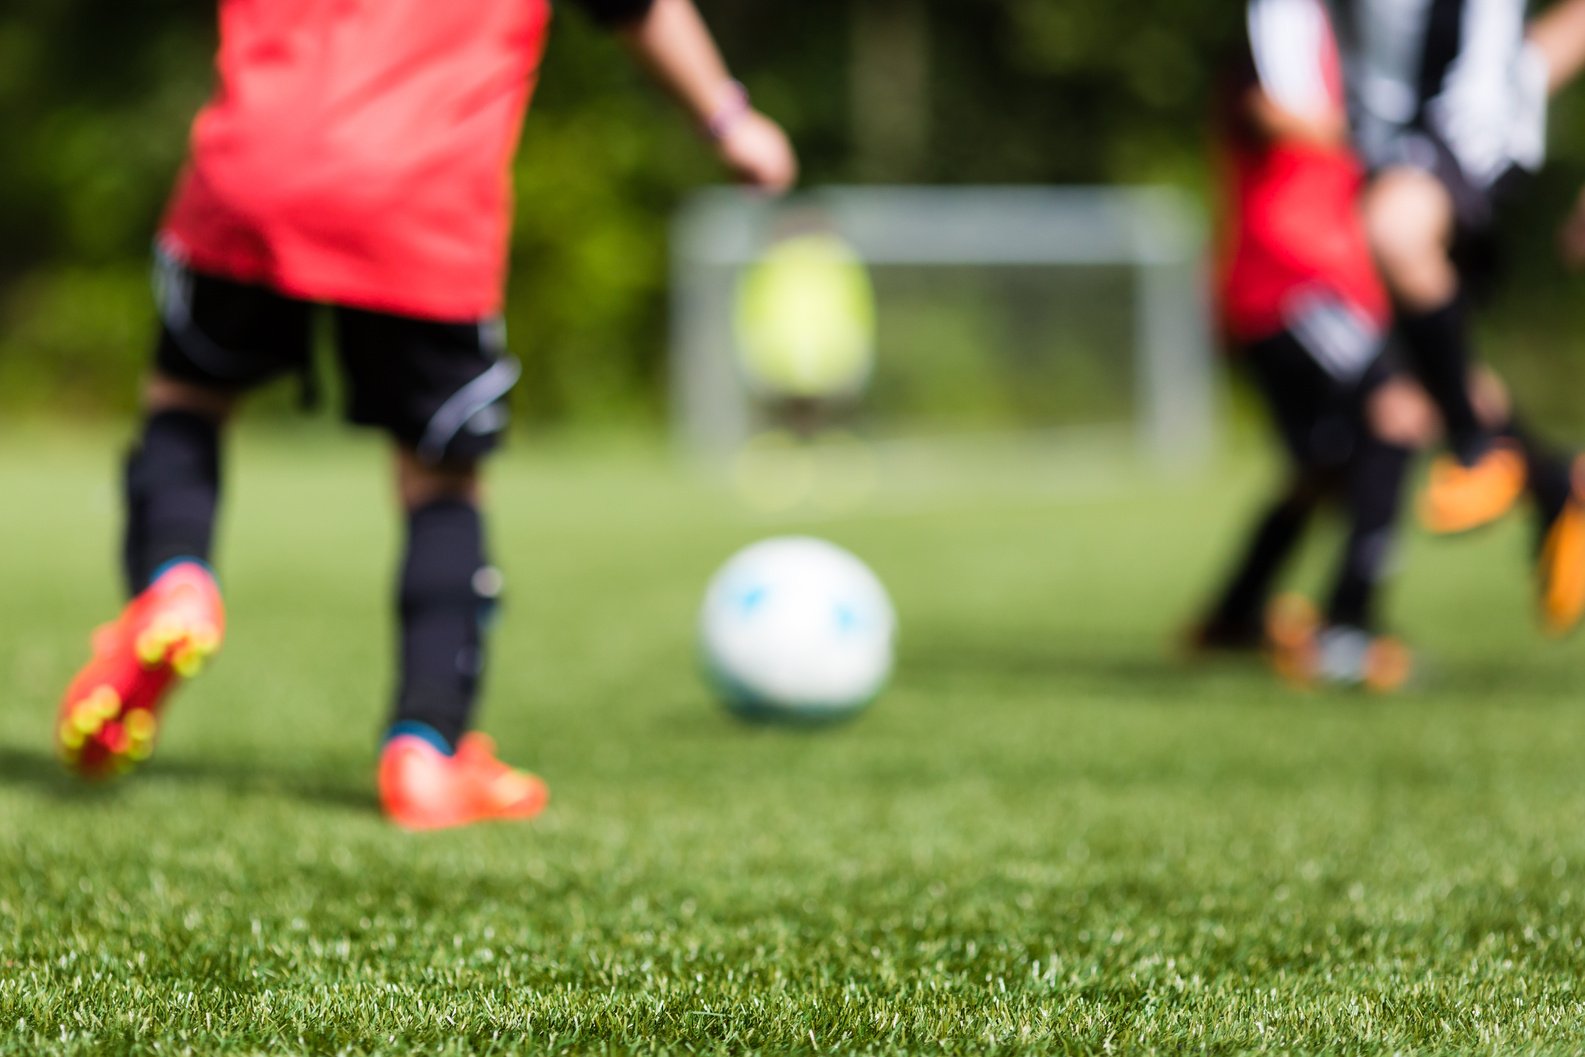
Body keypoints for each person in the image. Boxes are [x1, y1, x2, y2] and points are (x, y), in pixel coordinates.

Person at [53, 0, 797, 829]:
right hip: (420, 204)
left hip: (253, 173)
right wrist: (729, 121)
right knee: (439, 478)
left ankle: (174, 583)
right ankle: (426, 749)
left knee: (187, 404)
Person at [1191, 0, 1431, 688]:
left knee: (1322, 465)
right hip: (1287, 282)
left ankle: (1232, 618)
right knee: (1398, 410)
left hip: (1320, 285)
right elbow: (1265, 111)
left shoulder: (1347, 46)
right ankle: (1346, 629)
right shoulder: (1279, 39)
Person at [1334, 0, 1585, 635]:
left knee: (1394, 234)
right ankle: (1558, 491)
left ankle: (1479, 450)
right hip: (1385, 149)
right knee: (1414, 386)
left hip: (1465, 135)